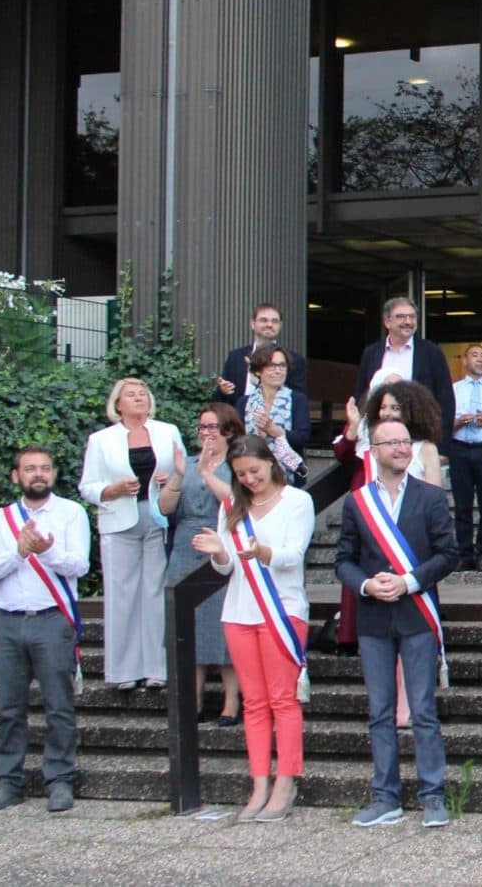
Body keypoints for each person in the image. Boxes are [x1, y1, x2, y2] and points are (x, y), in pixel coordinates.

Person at [336, 419, 458, 829]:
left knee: (423, 709)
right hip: (373, 617)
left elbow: (448, 554)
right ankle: (385, 795)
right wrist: (367, 584)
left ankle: (433, 794)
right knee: (380, 711)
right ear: (374, 449)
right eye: (393, 442)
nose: (403, 448)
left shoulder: (430, 497)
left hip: (416, 613)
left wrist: (409, 581)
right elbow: (343, 561)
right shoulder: (357, 502)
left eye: (407, 441)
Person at [187, 435, 314, 823]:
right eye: (241, 474)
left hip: (282, 610)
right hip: (239, 611)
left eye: (255, 471)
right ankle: (259, 781)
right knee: (254, 702)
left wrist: (262, 552)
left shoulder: (297, 501)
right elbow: (225, 568)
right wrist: (219, 552)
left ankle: (286, 780)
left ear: (270, 463)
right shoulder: (232, 504)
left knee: (282, 699)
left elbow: (294, 556)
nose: (249, 479)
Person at [0, 445, 91, 814]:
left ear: (54, 474)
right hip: (8, 620)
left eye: (44, 468)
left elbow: (80, 565)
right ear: (16, 476)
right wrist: (20, 553)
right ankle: (8, 782)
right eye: (30, 469)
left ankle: (60, 781)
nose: (38, 474)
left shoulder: (71, 513)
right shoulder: (1, 519)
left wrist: (46, 551)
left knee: (59, 705)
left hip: (51, 620)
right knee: (9, 707)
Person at [79, 376, 185, 691]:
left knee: (155, 592)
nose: (139, 398)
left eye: (142, 394)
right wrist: (112, 489)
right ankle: (122, 670)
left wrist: (171, 479)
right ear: (118, 404)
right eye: (131, 395)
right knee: (122, 594)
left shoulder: (167, 432)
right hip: (118, 518)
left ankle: (156, 668)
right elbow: (87, 486)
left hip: (156, 516)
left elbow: (184, 471)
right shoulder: (101, 440)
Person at [160, 404, 245, 726]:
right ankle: (192, 701)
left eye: (213, 427)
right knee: (188, 627)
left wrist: (208, 473)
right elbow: (165, 508)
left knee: (222, 627)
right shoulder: (187, 463)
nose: (206, 433)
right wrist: (181, 475)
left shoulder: (237, 465)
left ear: (229, 431)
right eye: (202, 427)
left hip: (221, 542)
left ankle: (231, 702)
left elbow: (236, 501)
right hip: (185, 545)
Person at [447, 344, 482, 567]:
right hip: (459, 448)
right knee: (462, 504)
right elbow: (443, 423)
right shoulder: (453, 390)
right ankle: (463, 553)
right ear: (465, 361)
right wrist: (459, 421)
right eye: (474, 355)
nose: (480, 359)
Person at [353, 296, 453, 413]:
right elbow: (361, 394)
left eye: (412, 317)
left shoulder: (431, 352)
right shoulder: (371, 353)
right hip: (379, 426)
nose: (408, 321)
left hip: (419, 428)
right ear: (387, 322)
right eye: (401, 317)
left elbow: (446, 398)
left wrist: (441, 431)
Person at [214, 303, 308, 415]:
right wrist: (223, 391)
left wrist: (260, 381)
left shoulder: (294, 359)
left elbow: (298, 398)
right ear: (252, 324)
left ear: (280, 325)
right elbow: (220, 400)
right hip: (238, 422)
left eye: (274, 321)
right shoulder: (235, 357)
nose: (269, 324)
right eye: (264, 320)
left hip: (276, 421)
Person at [240, 347, 310, 488]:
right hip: (250, 475)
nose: (278, 370)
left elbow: (303, 437)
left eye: (282, 365)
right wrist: (258, 436)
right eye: (272, 366)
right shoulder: (244, 402)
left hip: (288, 477)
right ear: (258, 371)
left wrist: (275, 431)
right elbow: (237, 439)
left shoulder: (297, 399)